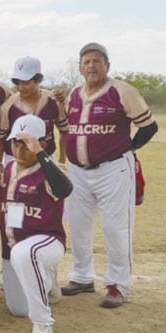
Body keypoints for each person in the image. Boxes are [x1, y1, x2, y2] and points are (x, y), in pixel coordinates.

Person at [60, 42, 158, 308]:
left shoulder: (121, 91)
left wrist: (128, 148)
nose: (91, 66)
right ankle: (82, 276)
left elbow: (149, 126)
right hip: (79, 172)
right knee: (79, 225)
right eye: (86, 62)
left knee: (116, 227)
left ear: (107, 65)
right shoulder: (74, 94)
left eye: (97, 61)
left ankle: (118, 284)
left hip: (113, 169)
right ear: (80, 68)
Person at [0, 115, 73, 333]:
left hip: (46, 240)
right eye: (16, 143)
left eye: (26, 143)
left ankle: (43, 321)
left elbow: (64, 189)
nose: (20, 149)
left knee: (26, 253)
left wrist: (40, 154)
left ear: (41, 143)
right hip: (12, 247)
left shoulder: (51, 168)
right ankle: (46, 278)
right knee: (18, 309)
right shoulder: (8, 168)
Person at [0, 56, 66, 166]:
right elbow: (1, 138)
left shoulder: (54, 100)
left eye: (26, 83)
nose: (21, 87)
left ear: (38, 80)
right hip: (15, 160)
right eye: (18, 83)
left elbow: (64, 131)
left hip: (46, 158)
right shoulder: (8, 106)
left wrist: (62, 160)